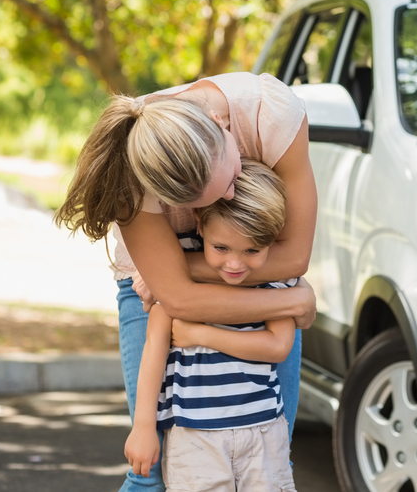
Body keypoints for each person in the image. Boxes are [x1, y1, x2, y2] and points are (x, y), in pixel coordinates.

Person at [55, 71, 318, 491]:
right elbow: (176, 301)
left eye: (231, 179)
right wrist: (294, 302)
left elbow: (293, 256)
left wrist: (172, 270)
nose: (230, 198)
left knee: (269, 456)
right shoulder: (132, 170)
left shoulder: (272, 114)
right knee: (151, 473)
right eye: (206, 203)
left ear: (219, 123)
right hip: (154, 297)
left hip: (253, 275)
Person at [125, 160, 297, 491]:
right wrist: (144, 426)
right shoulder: (180, 273)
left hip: (262, 432)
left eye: (252, 250)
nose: (235, 263)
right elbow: (155, 345)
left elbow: (278, 345)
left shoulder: (273, 279)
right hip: (195, 438)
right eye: (221, 248)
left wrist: (199, 334)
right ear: (201, 225)